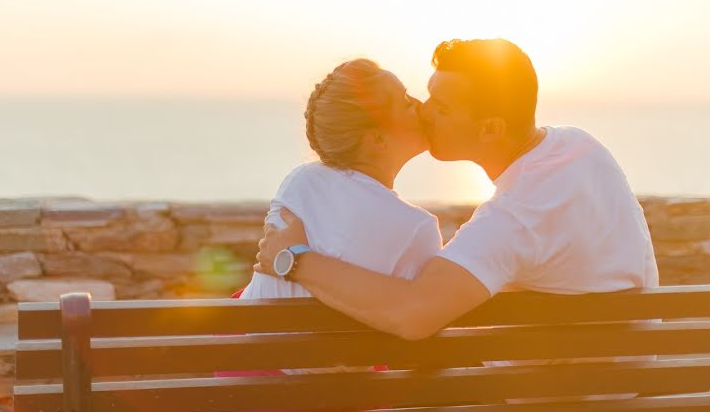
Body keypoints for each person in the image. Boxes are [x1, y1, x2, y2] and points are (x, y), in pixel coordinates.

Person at [255, 38, 660, 342]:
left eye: (443, 108)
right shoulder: (580, 147)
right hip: (630, 383)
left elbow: (413, 314)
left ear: (491, 128)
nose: (425, 111)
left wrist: (296, 259)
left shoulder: (510, 222)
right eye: (428, 95)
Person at [240, 57, 442, 312]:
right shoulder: (416, 228)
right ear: (377, 138)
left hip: (248, 349)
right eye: (405, 102)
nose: (420, 105)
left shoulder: (300, 182)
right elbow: (417, 317)